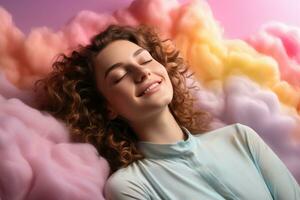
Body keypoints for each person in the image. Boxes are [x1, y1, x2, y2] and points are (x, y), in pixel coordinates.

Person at [35, 24, 300, 200]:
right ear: (107, 108)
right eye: (119, 76)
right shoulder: (130, 186)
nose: (142, 72)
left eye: (146, 59)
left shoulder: (241, 138)